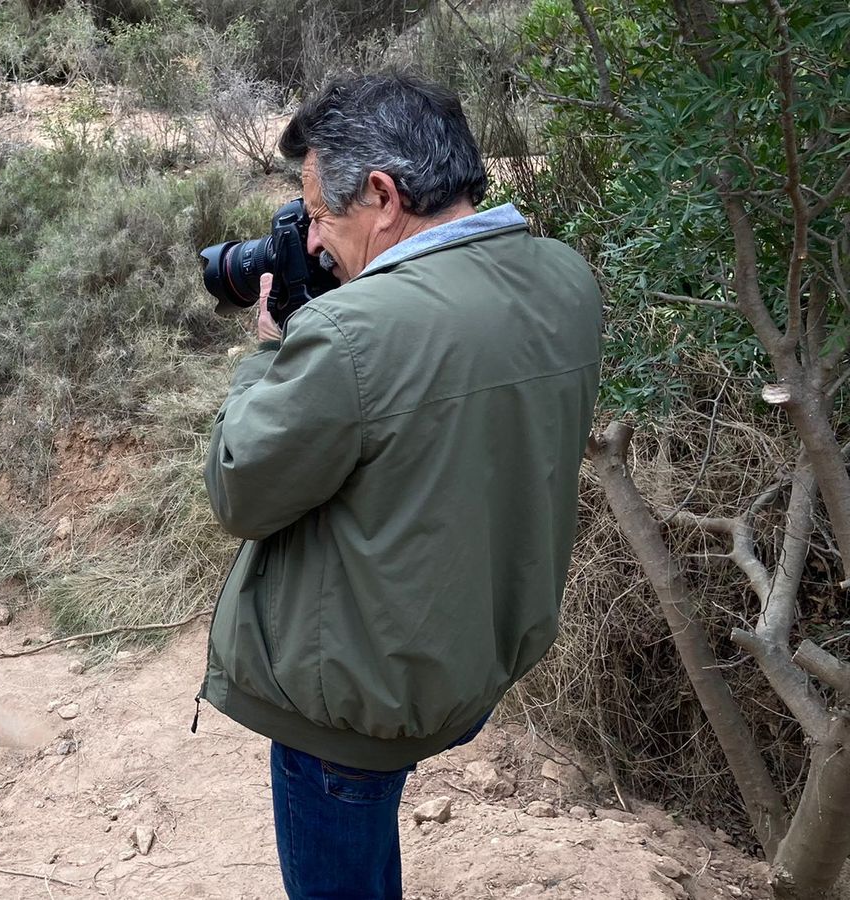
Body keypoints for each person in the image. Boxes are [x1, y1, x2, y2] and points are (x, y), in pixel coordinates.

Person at [197, 72, 603, 899]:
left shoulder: (352, 334)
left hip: (352, 704)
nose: (311, 242)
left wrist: (275, 346)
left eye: (319, 215)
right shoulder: (566, 278)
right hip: (467, 661)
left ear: (383, 195)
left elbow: (240, 488)